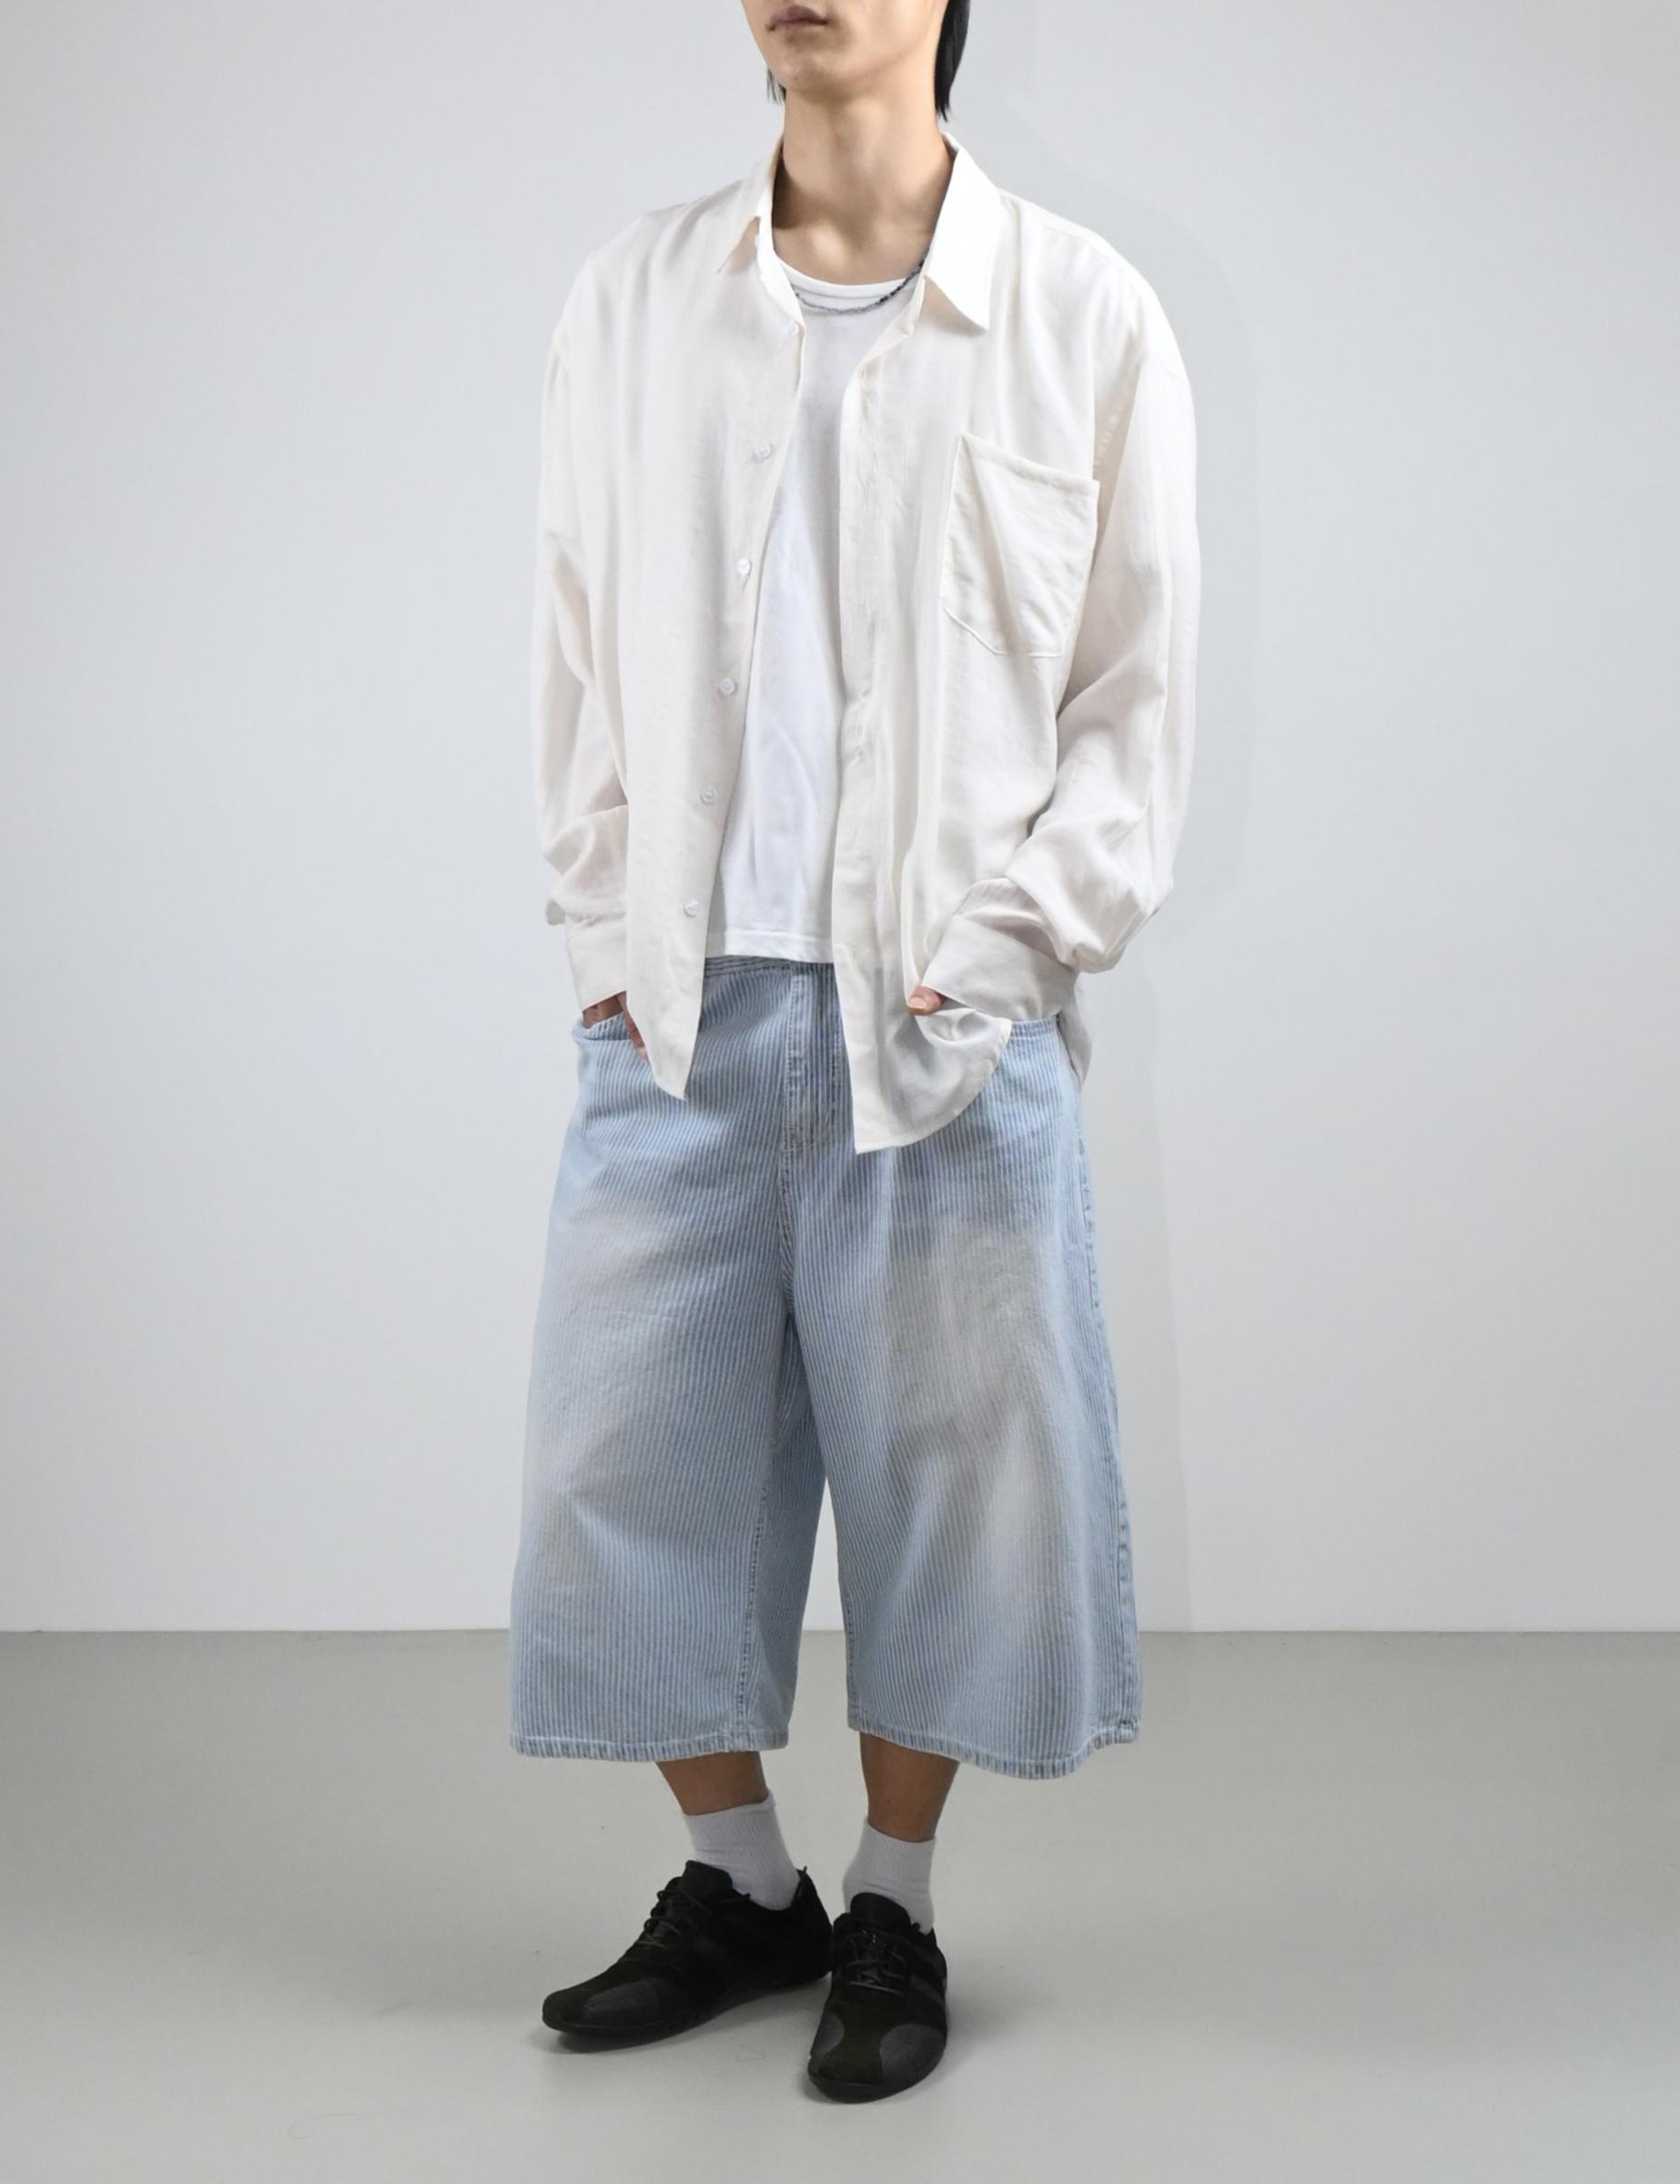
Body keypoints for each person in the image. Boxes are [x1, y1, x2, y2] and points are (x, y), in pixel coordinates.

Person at [508, 0, 1199, 2102]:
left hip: (943, 1014)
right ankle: (742, 1884)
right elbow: (570, 630)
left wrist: (1008, 952)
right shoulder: (638, 296)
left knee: (962, 1491)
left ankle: (893, 1899)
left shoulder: (1080, 313)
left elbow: (1133, 697)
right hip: (686, 1006)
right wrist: (601, 931)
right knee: (623, 1471)